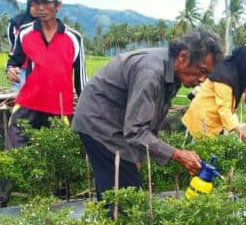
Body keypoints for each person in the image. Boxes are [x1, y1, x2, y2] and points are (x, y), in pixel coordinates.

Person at [73, 28, 225, 200]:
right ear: (183, 56)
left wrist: (136, 156)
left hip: (117, 122)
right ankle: (115, 222)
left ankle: (111, 220)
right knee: (126, 197)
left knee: (119, 188)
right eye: (202, 70)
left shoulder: (173, 74)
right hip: (99, 123)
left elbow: (148, 120)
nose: (202, 80)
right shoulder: (151, 72)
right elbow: (136, 130)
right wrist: (177, 154)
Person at [0, 0, 86, 207]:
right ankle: (0, 202)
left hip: (59, 109)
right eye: (37, 2)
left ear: (58, 6)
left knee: (59, 157)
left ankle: (60, 205)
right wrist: (10, 70)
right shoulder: (25, 33)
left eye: (46, 2)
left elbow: (81, 81)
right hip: (28, 104)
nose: (41, 7)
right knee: (12, 155)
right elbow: (14, 60)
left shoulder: (74, 39)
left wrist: (85, 110)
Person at [182, 45, 246, 141]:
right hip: (203, 120)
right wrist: (239, 131)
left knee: (204, 151)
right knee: (199, 150)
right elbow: (224, 108)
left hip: (211, 119)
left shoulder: (232, 71)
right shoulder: (224, 78)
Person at [6, 0, 37, 91]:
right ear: (28, 6)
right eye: (32, 5)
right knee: (20, 97)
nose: (36, 8)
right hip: (21, 68)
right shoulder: (16, 22)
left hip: (40, 69)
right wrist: (11, 66)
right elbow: (13, 44)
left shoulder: (47, 24)